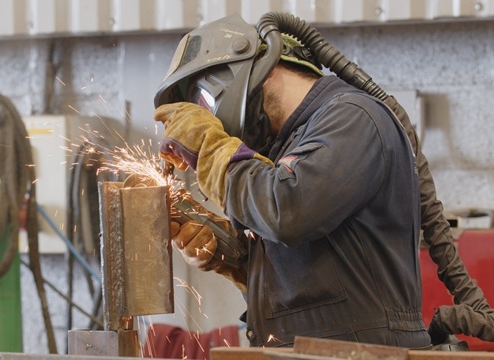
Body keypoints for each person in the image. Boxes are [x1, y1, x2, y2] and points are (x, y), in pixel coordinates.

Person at [153, 14, 431, 349]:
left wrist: (208, 147)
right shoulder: (289, 147)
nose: (209, 121)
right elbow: (314, 269)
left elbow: (288, 211)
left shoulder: (352, 118)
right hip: (313, 350)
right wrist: (232, 253)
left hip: (364, 353)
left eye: (204, 106)